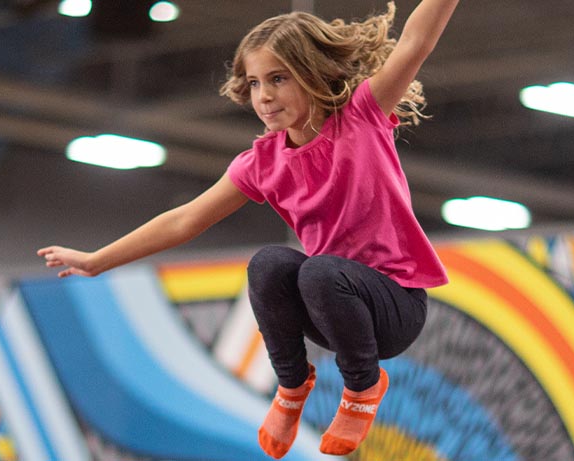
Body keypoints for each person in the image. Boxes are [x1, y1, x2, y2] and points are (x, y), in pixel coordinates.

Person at [37, 0, 458, 457]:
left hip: (394, 308)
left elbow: (417, 40)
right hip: (330, 308)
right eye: (255, 83)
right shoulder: (262, 162)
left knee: (317, 271)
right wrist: (98, 261)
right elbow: (185, 219)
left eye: (278, 79)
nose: (264, 96)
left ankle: (363, 385)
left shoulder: (361, 117)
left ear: (312, 73)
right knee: (270, 264)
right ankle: (292, 387)